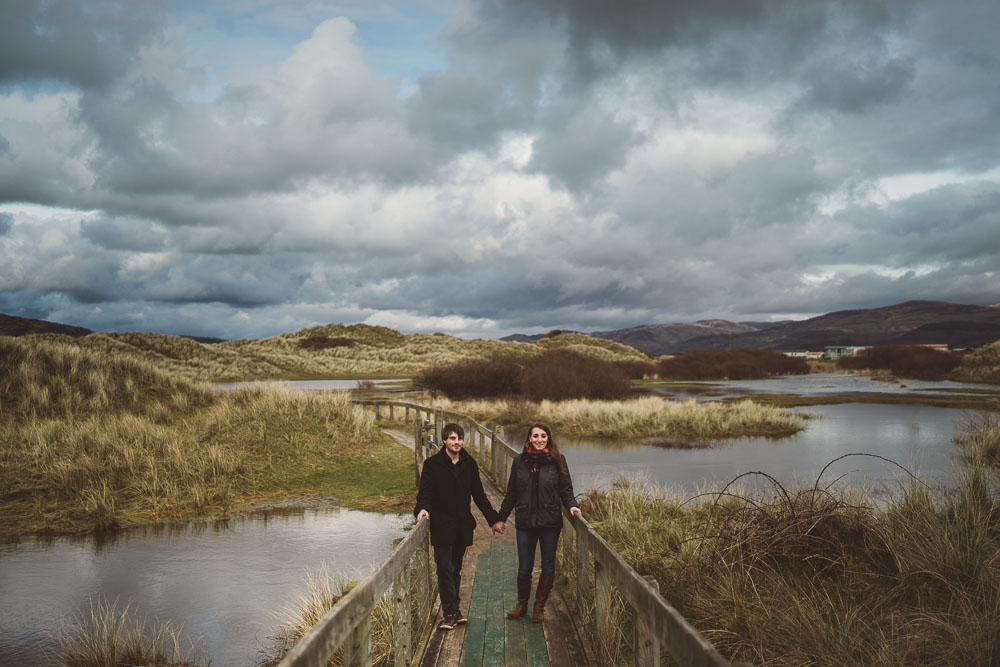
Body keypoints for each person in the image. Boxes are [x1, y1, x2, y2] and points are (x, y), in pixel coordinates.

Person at [414, 422, 505, 630]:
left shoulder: (469, 464)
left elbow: (480, 496)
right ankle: (450, 613)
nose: (457, 442)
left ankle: (454, 610)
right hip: (441, 525)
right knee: (444, 568)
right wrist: (422, 509)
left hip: (462, 526)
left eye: (460, 438)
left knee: (455, 569)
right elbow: (425, 493)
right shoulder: (432, 464)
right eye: (453, 438)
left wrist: (494, 520)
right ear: (444, 441)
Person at [494, 422, 582, 623]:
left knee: (548, 566)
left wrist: (572, 505)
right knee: (524, 567)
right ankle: (522, 604)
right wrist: (500, 517)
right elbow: (512, 493)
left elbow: (566, 491)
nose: (540, 439)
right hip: (525, 522)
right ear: (529, 439)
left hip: (550, 522)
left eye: (543, 436)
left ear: (548, 439)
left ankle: (539, 607)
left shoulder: (558, 460)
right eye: (536, 436)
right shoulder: (520, 461)